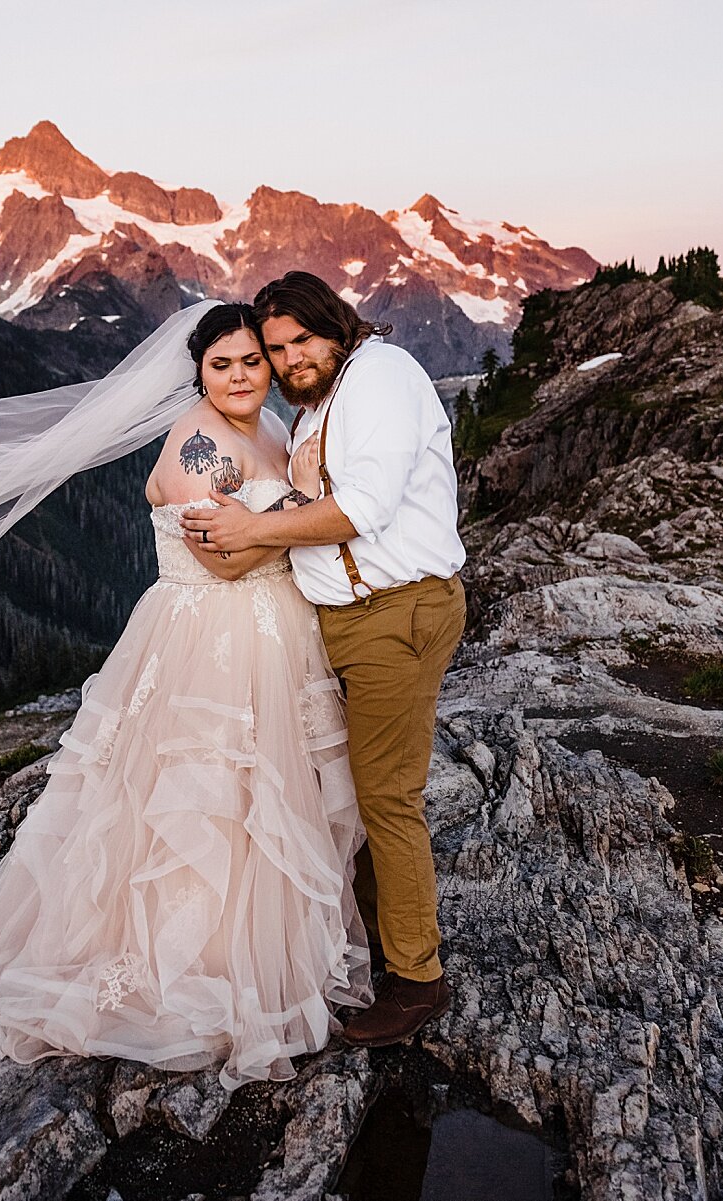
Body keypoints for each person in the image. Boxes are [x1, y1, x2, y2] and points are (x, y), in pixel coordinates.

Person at [0, 303, 371, 1087]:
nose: (239, 376)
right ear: (198, 369)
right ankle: (196, 966)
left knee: (260, 799)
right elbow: (227, 562)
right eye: (222, 364)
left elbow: (258, 533)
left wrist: (284, 518)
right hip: (213, 639)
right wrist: (309, 519)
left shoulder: (265, 429)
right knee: (202, 804)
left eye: (251, 362)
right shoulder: (199, 445)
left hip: (268, 633)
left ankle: (255, 947)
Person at [179, 272, 467, 1048]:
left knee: (385, 798)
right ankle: (379, 941)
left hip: (393, 614)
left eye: (300, 340)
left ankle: (416, 982)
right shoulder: (322, 401)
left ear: (335, 325)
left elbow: (364, 510)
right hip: (347, 620)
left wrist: (256, 530)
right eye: (276, 349)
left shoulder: (378, 379)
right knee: (353, 790)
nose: (289, 358)